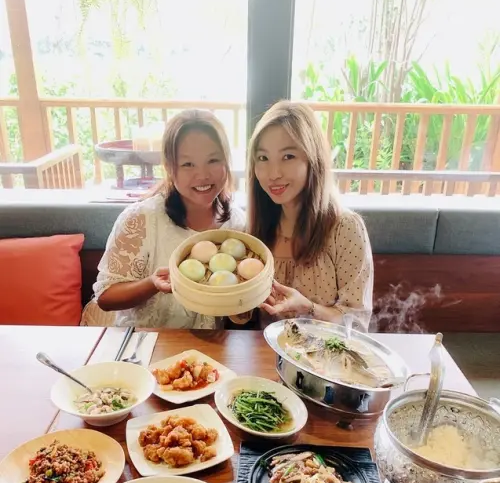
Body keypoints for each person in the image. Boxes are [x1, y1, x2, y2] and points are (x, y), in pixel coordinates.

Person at [94, 109, 245, 328]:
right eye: (188, 164)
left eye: (213, 160)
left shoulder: (237, 224)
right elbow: (106, 297)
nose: (203, 175)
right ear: (169, 168)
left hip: (213, 345)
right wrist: (152, 284)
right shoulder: (142, 219)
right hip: (148, 344)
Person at [247, 100, 373, 331]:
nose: (273, 174)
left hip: (324, 352)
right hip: (264, 351)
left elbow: (355, 323)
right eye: (263, 158)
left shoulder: (345, 229)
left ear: (313, 160)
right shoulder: (254, 230)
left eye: (288, 156)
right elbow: (246, 319)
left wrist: (309, 309)